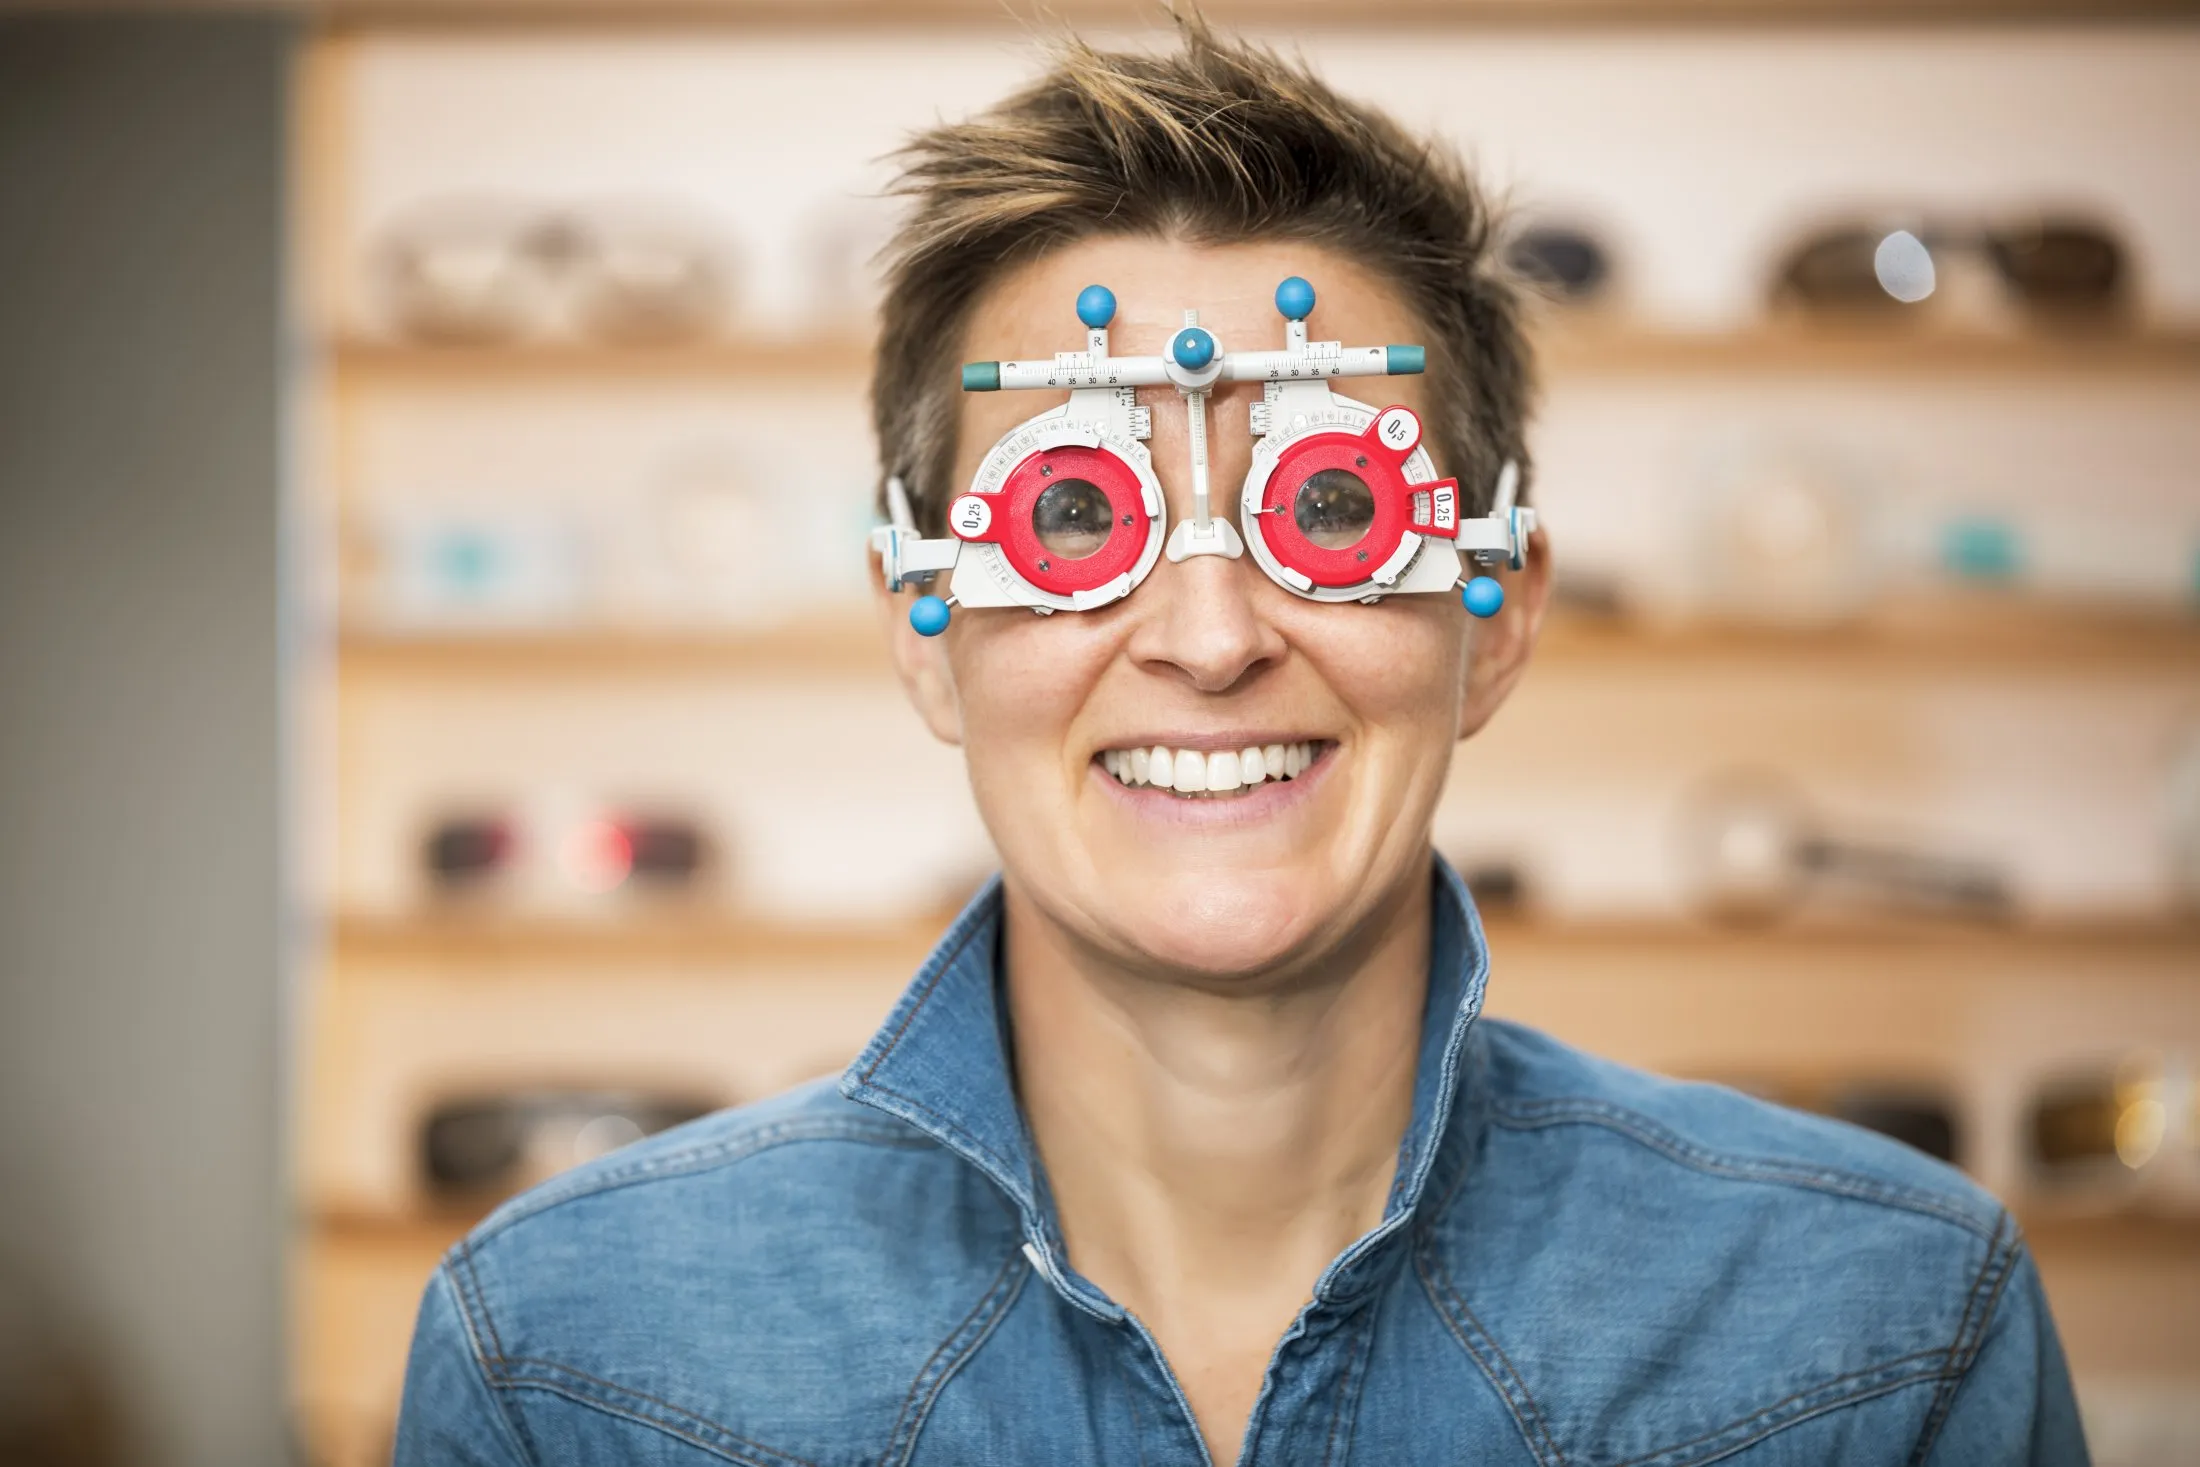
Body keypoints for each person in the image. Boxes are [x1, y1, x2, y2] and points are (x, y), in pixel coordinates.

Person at [393, 20, 2086, 1466]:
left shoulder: (1886, 1332)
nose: (1210, 641)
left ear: (1493, 615)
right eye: (1077, 514)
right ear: (925, 635)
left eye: (1329, 506)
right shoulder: (564, 1360)